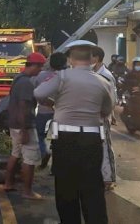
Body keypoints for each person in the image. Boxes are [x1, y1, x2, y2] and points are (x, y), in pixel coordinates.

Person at [34, 42, 113, 224]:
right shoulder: (103, 81)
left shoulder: (61, 77)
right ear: (91, 60)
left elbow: (38, 93)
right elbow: (107, 109)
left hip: (65, 140)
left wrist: (53, 102)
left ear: (70, 58)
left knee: (66, 188)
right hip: (92, 140)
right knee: (93, 188)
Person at [4, 52, 46, 200]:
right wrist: (25, 130)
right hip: (23, 125)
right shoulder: (26, 83)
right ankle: (27, 191)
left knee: (15, 153)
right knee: (30, 158)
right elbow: (23, 107)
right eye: (39, 67)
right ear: (33, 66)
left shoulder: (18, 79)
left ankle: (8, 183)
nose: (40, 71)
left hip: (14, 123)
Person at [32, 52, 67, 168]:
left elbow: (35, 91)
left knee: (39, 135)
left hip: (43, 112)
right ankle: (56, 166)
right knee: (58, 139)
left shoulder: (41, 76)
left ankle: (44, 152)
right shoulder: (66, 77)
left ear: (50, 63)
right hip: (60, 114)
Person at [91, 47, 117, 191]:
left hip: (102, 116)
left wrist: (109, 115)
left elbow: (111, 99)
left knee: (105, 146)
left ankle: (109, 178)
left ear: (96, 58)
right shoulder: (95, 74)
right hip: (94, 117)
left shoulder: (105, 76)